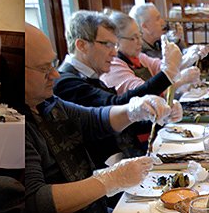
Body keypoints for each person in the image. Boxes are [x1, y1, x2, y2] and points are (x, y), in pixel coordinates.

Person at [20, 24, 174, 213]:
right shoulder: (17, 125)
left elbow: (95, 119)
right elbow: (36, 201)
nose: (54, 74)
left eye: (53, 65)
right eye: (44, 69)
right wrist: (108, 180)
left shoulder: (47, 103)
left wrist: (134, 110)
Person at [53, 10, 182, 161]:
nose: (114, 53)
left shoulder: (92, 76)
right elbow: (114, 106)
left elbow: (127, 125)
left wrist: (163, 115)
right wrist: (167, 74)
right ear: (82, 45)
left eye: (115, 45)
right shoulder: (66, 83)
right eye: (107, 45)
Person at [99, 9, 199, 96]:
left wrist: (189, 58)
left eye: (139, 36)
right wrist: (181, 80)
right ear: (116, 40)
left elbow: (162, 66)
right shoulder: (113, 66)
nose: (140, 42)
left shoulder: (139, 57)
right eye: (134, 38)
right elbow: (143, 93)